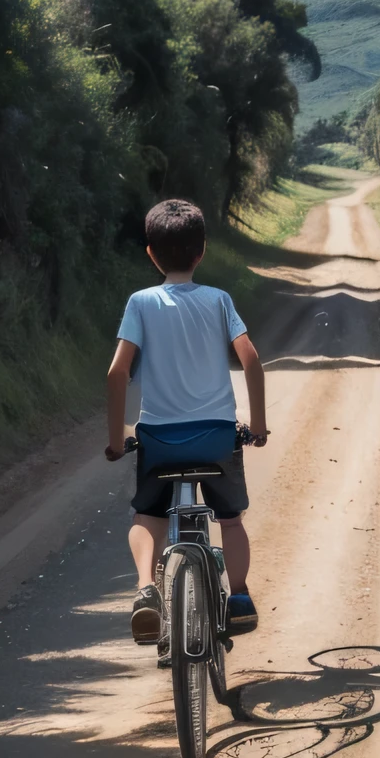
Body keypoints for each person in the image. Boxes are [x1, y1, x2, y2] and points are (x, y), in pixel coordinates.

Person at [105, 197, 268, 645]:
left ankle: (145, 590)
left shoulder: (140, 302)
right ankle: (237, 598)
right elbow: (250, 359)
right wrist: (258, 426)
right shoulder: (219, 301)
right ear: (202, 252)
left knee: (148, 515)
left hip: (159, 440)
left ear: (151, 254)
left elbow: (117, 373)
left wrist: (116, 440)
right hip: (216, 437)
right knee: (230, 520)